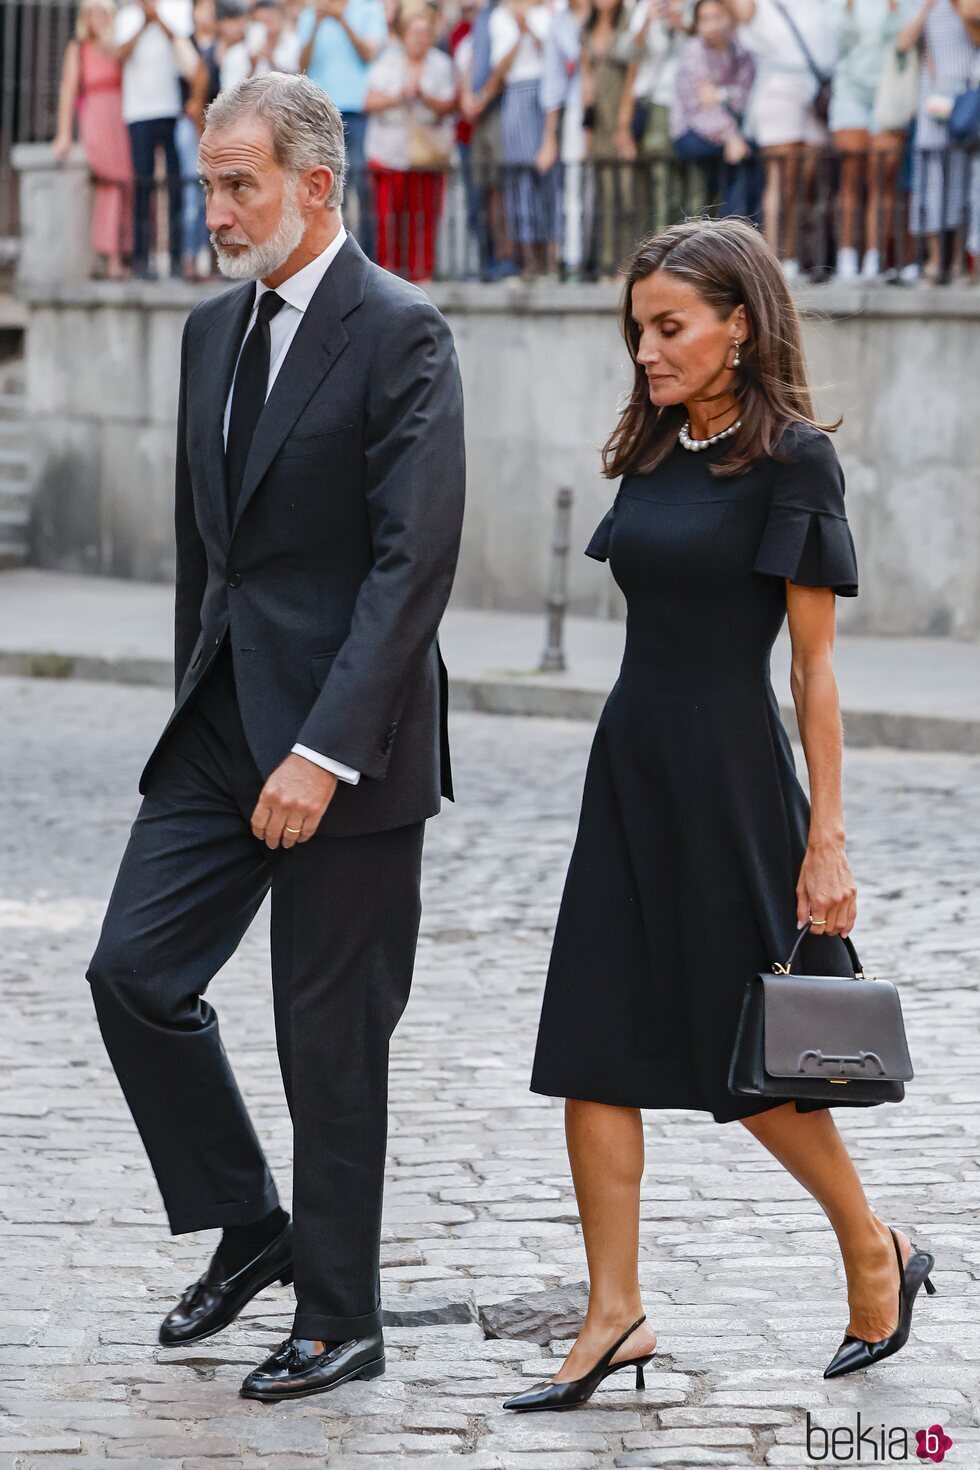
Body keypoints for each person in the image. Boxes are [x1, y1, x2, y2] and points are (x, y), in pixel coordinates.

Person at [503, 215, 938, 1411]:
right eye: (636, 328)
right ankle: (612, 1315)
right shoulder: (651, 445)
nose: (645, 350)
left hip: (730, 781)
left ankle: (872, 1246)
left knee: (752, 1055)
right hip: (628, 769)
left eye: (669, 327)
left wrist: (826, 837)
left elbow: (811, 670)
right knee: (588, 1043)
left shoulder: (792, 460)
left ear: (737, 326)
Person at [85, 71, 465, 1403]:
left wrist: (324, 751)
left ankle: (341, 1311)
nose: (213, 208)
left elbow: (412, 569)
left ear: (315, 186)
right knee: (132, 972)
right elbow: (211, 554)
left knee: (327, 1039)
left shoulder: (403, 332)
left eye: (236, 182)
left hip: (345, 749)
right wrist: (201, 695)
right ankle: (252, 1226)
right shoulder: (207, 331)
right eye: (205, 182)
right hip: (219, 724)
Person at [730, 0, 836, 277]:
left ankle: (795, 257)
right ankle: (774, 258)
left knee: (805, 183)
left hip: (817, 88)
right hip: (777, 89)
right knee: (781, 180)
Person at [364, 9, 457, 281]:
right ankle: (389, 271)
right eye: (414, 33)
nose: (419, 39)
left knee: (425, 216)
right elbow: (369, 101)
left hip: (427, 152)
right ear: (404, 36)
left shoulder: (441, 64)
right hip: (389, 151)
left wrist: (425, 98)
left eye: (425, 33)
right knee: (389, 217)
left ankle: (421, 272)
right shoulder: (388, 62)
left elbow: (451, 104)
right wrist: (400, 97)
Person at [829, 0, 918, 280]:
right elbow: (837, 43)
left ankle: (874, 258)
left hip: (892, 92)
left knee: (883, 179)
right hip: (850, 92)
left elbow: (905, 41)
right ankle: (846, 257)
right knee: (850, 178)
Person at [297, 0, 389, 259]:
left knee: (360, 184)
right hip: (319, 113)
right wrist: (316, 24)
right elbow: (301, 64)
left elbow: (369, 54)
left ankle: (366, 254)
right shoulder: (310, 14)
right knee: (322, 186)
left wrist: (342, 20)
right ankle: (324, 253)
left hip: (356, 111)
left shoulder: (368, 9)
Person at [53, 0, 135, 279]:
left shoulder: (117, 47)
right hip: (97, 119)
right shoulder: (78, 48)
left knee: (129, 181)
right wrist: (64, 133)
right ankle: (111, 255)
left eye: (102, 13)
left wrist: (110, 42)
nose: (97, 19)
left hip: (122, 115)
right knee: (109, 182)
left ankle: (127, 251)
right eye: (93, 14)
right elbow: (68, 90)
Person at [112, 0, 194, 277]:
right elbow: (120, 54)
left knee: (175, 185)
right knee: (142, 185)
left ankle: (176, 259)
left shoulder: (175, 9)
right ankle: (141, 260)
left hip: (169, 109)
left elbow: (184, 47)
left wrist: (157, 18)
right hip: (137, 112)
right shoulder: (126, 17)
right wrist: (143, 23)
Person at [903, 0, 979, 280]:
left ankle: (960, 259)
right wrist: (925, 9)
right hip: (933, 100)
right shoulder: (926, 6)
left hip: (967, 101)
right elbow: (904, 43)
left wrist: (963, 11)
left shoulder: (968, 7)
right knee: (932, 180)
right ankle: (935, 258)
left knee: (964, 182)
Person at [487, 0, 560, 277]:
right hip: (516, 93)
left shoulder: (547, 12)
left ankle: (550, 257)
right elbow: (501, 68)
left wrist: (529, 24)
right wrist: (519, 32)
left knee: (548, 180)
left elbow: (551, 57)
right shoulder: (499, 17)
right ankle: (528, 256)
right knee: (520, 177)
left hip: (544, 93)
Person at [670, 0, 757, 218]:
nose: (713, 25)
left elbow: (744, 96)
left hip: (729, 133)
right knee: (741, 161)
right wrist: (731, 137)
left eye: (717, 17)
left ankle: (738, 231)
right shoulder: (693, 51)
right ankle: (733, 231)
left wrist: (719, 94)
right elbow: (698, 108)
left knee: (747, 161)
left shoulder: (740, 51)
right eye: (705, 19)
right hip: (691, 131)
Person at [580, 0, 637, 280]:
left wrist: (625, 124)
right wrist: (586, 131)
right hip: (598, 118)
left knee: (627, 194)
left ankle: (629, 262)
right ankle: (607, 263)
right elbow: (585, 77)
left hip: (621, 114)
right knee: (603, 196)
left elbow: (632, 74)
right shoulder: (587, 28)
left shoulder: (628, 24)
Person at [537, 0, 589, 277]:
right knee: (574, 188)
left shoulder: (610, 15)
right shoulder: (560, 24)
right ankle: (574, 257)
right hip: (576, 112)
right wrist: (549, 137)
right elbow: (554, 83)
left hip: (611, 108)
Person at [221, 0, 303, 88]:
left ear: (282, 19)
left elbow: (297, 83)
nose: (265, 27)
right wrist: (252, 66)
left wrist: (271, 61)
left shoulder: (292, 44)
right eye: (259, 22)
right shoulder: (235, 54)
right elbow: (231, 92)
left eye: (269, 20)